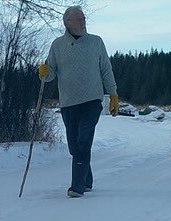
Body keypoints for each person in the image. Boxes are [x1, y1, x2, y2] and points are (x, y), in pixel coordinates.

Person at [38, 5, 119, 198]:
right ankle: (87, 180)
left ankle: (77, 187)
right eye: (79, 19)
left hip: (92, 100)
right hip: (68, 102)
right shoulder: (57, 45)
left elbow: (106, 69)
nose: (83, 22)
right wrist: (44, 73)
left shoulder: (96, 42)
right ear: (68, 23)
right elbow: (51, 73)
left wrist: (113, 94)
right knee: (74, 147)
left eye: (84, 19)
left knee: (84, 142)